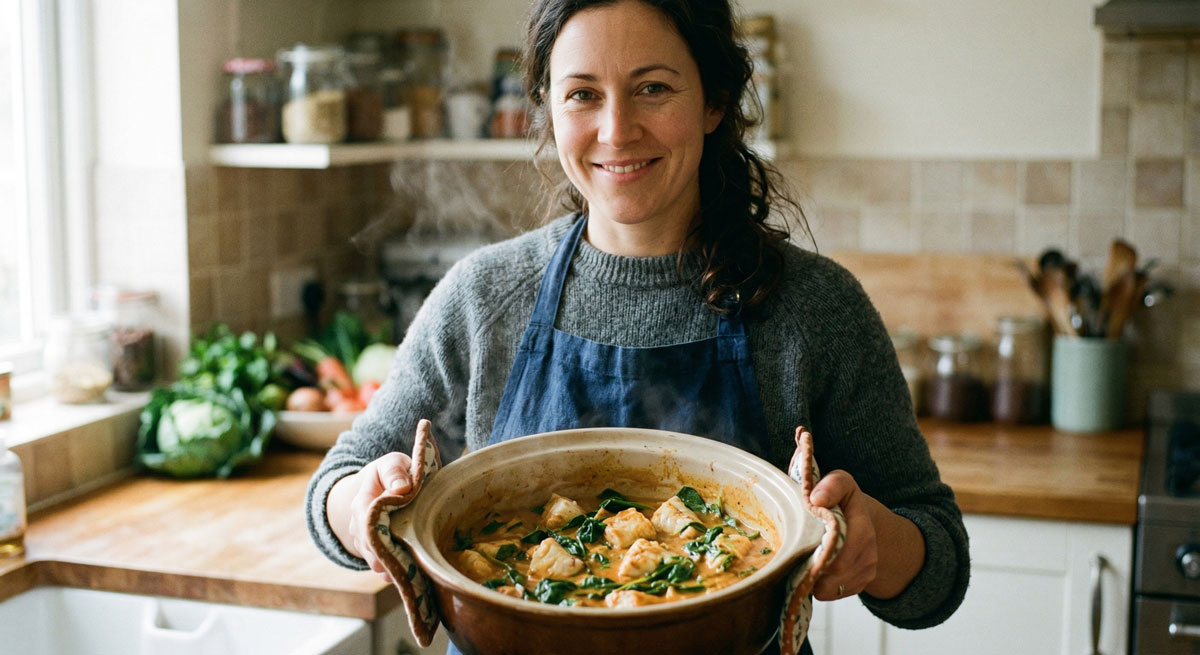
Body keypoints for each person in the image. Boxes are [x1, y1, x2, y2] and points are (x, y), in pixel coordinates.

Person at [306, 1, 970, 653]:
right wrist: (363, 505)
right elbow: (335, 488)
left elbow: (937, 560)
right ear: (548, 107)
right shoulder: (484, 299)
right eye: (583, 94)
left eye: (653, 88)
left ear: (714, 101)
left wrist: (877, 544)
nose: (617, 129)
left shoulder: (814, 309)